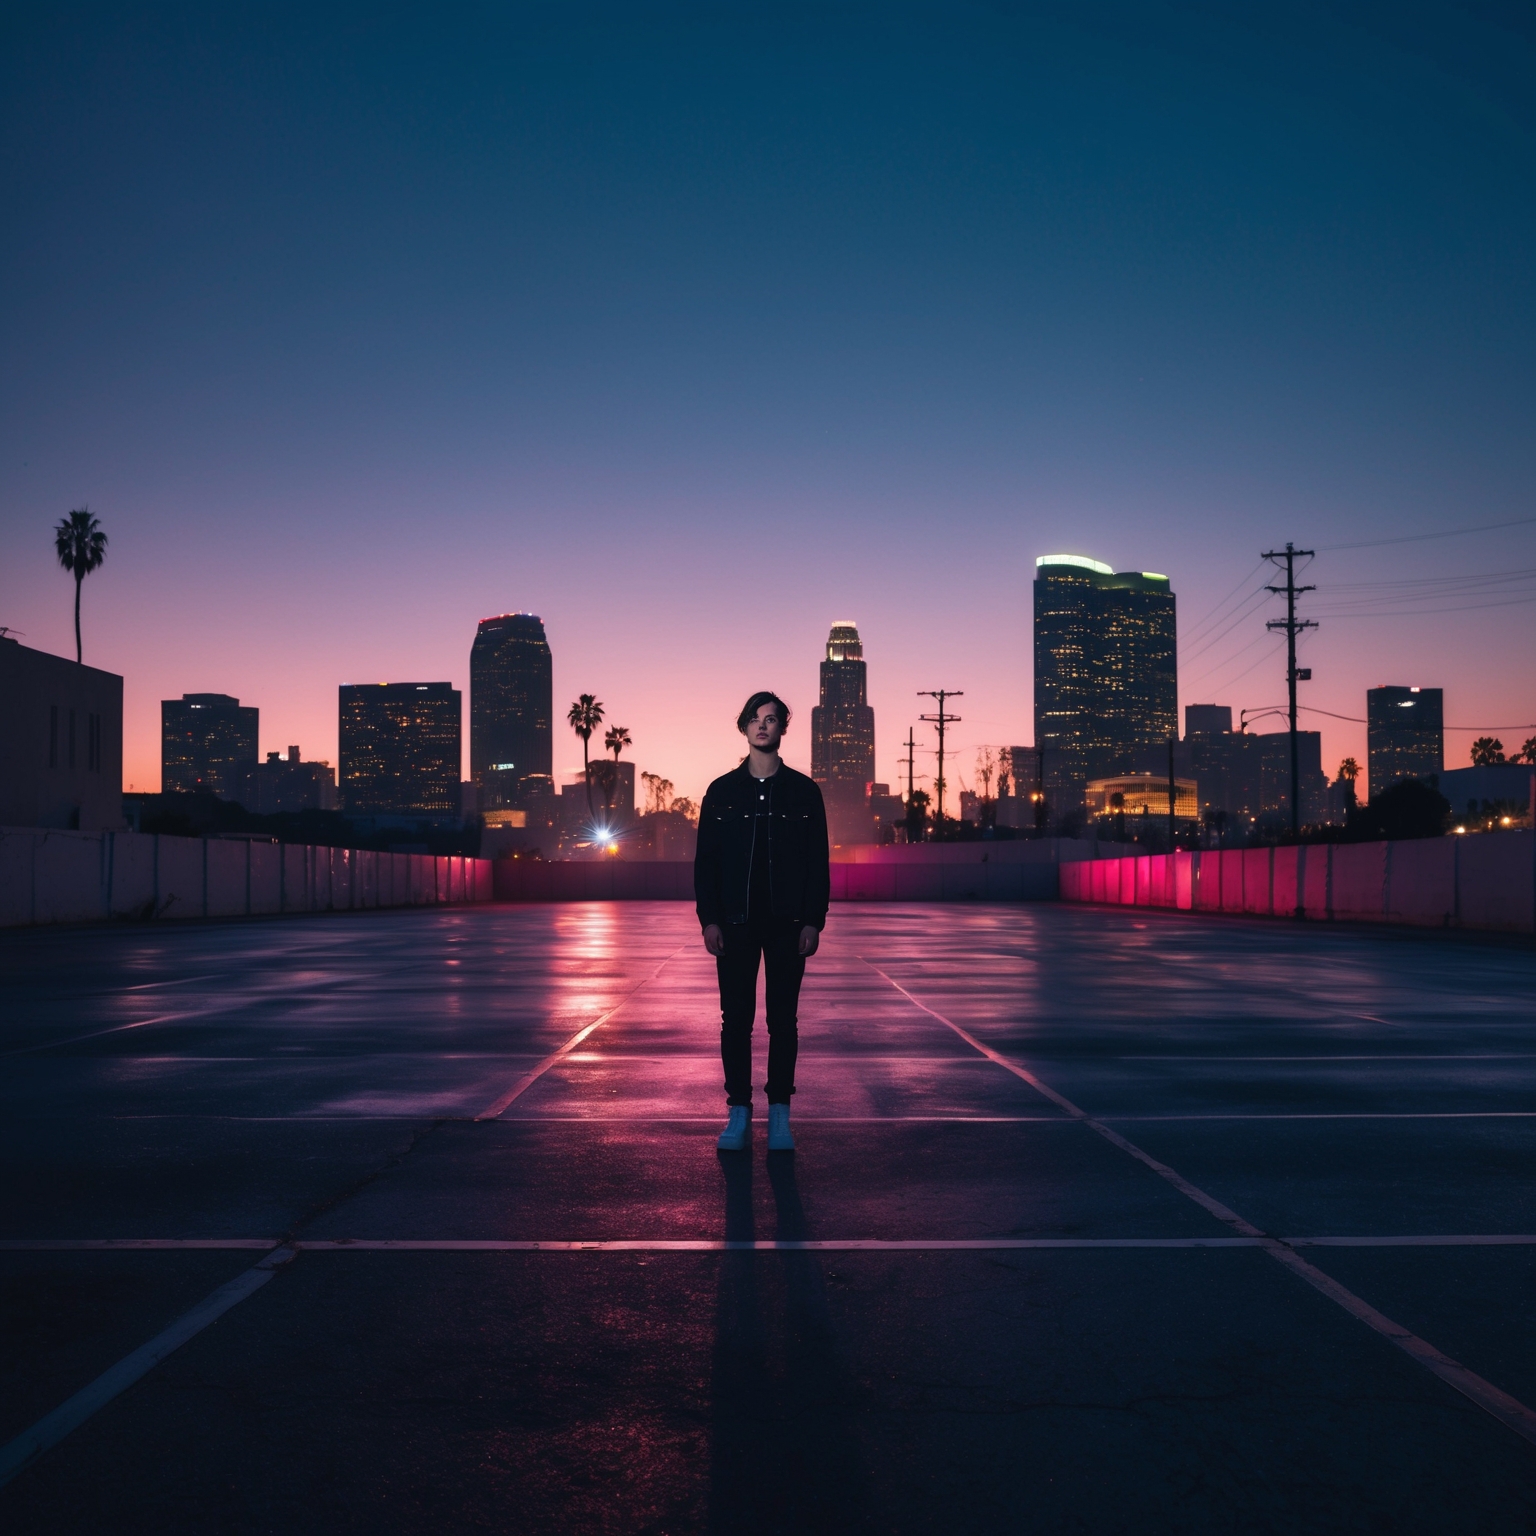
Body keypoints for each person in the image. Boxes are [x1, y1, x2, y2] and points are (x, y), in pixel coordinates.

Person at [694, 691, 830, 1152]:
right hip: (734, 923)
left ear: (782, 728)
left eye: (770, 719)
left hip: (788, 924)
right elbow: (706, 863)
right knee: (735, 1021)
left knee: (783, 1022)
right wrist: (708, 919)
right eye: (755, 719)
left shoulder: (804, 792)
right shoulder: (721, 791)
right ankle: (737, 1112)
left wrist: (814, 920)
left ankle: (779, 1116)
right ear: (744, 727)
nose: (762, 726)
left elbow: (818, 862)